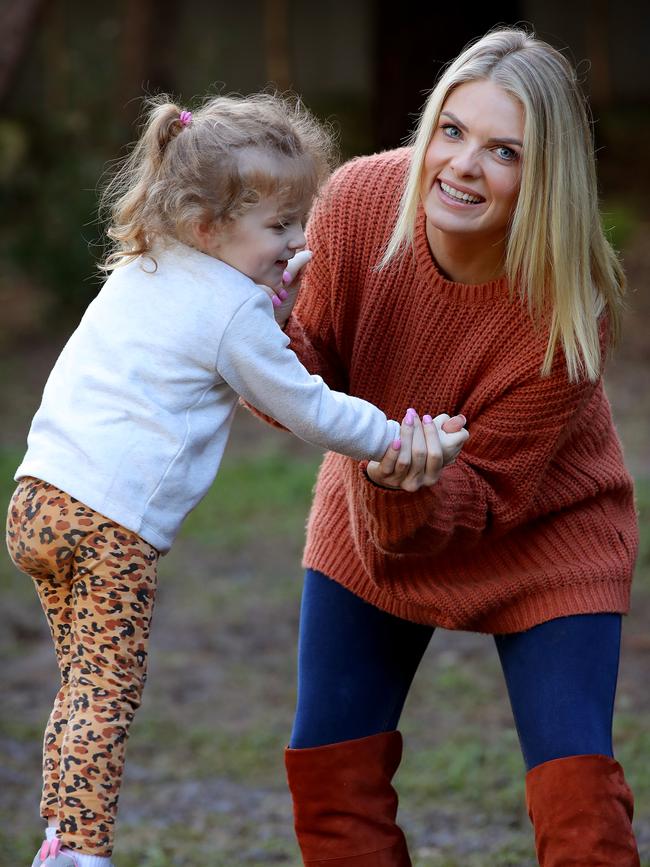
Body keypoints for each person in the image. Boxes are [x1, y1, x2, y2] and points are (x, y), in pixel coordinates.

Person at [5, 93, 469, 867]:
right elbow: (306, 404)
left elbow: (214, 334)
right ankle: (78, 854)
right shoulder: (231, 314)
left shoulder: (145, 264)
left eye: (300, 222)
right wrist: (396, 436)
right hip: (110, 522)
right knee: (106, 691)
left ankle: (60, 831)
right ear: (209, 226)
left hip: (36, 499)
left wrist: (266, 300)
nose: (294, 242)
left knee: (80, 684)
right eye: (278, 226)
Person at [277, 28, 641, 866]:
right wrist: (256, 332)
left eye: (503, 151)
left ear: (544, 176)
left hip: (544, 528)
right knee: (334, 786)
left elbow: (483, 501)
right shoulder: (359, 204)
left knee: (580, 807)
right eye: (452, 130)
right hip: (375, 501)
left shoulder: (565, 310)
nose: (462, 166)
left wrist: (410, 482)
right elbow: (310, 377)